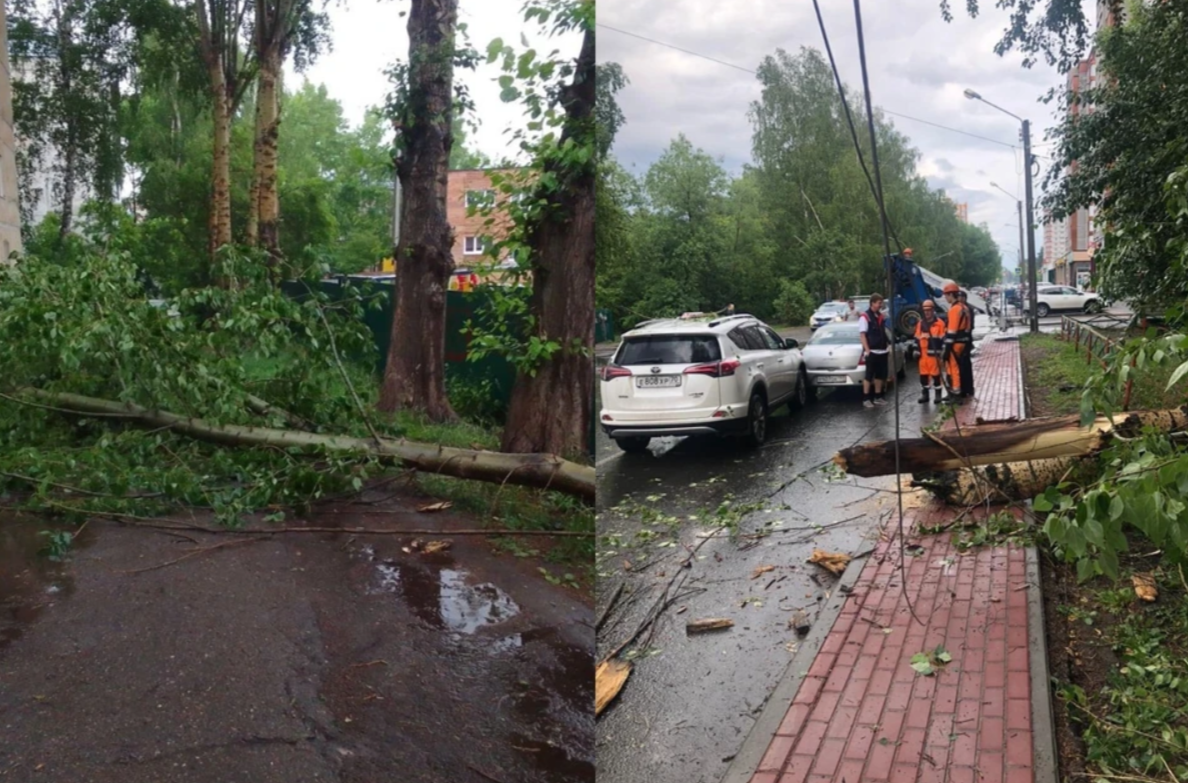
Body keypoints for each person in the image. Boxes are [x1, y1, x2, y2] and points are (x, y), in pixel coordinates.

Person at [940, 281, 973, 404]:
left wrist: (947, 349)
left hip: (955, 343)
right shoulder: (964, 308)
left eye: (946, 295)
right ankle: (955, 392)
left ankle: (956, 393)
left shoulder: (954, 310)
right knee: (956, 367)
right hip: (964, 342)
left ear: (950, 295)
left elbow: (951, 332)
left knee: (953, 368)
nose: (945, 298)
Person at [858, 293, 890, 408]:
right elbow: (862, 335)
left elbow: (883, 332)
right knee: (869, 375)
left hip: (882, 351)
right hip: (872, 351)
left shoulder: (880, 316)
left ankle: (878, 397)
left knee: (880, 375)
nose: (880, 305)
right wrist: (867, 351)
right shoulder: (865, 317)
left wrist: (888, 345)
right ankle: (866, 398)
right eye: (879, 303)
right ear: (873, 303)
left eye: (881, 303)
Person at [914, 299, 946, 403]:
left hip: (934, 355)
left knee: (936, 375)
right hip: (922, 355)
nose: (927, 312)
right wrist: (916, 350)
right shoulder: (920, 324)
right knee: (923, 376)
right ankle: (925, 394)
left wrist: (943, 352)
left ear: (933, 310)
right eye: (925, 310)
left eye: (929, 310)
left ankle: (938, 395)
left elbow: (943, 339)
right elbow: (917, 338)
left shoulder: (939, 324)